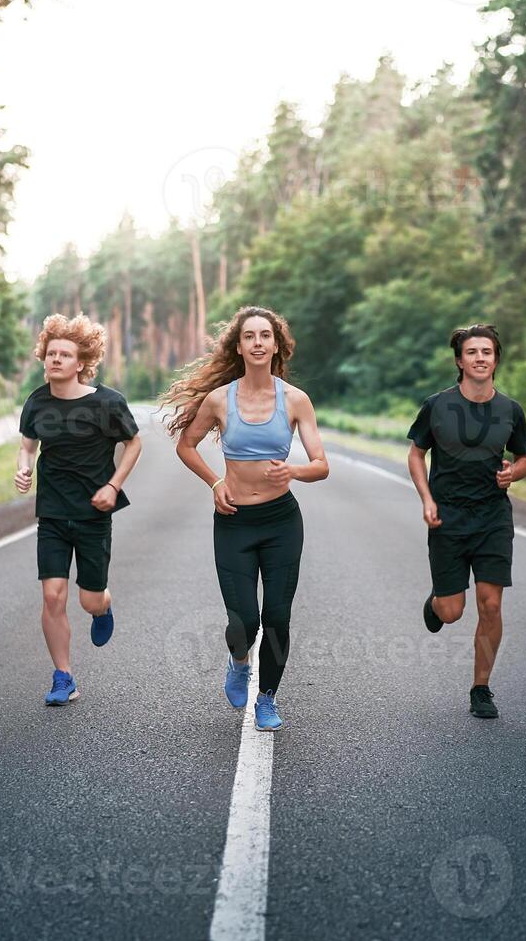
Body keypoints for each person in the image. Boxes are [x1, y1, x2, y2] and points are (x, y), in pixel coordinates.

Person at [159, 306, 329, 731]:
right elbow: (187, 446)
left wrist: (293, 470)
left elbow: (321, 464)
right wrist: (216, 484)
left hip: (281, 522)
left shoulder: (295, 400)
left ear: (276, 345)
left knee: (277, 615)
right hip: (234, 520)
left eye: (265, 336)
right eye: (249, 336)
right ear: (239, 346)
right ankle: (239, 662)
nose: (257, 342)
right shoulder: (221, 399)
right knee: (242, 623)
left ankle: (267, 698)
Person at [15, 313, 143, 706]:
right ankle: (63, 676)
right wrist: (23, 468)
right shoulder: (37, 401)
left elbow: (134, 444)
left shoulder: (107, 403)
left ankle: (103, 608)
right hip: (52, 513)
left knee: (89, 599)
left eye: (64, 354)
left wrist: (112, 485)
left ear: (81, 362)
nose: (55, 360)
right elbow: (27, 445)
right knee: (53, 596)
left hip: (91, 514)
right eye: (50, 353)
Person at [406, 323, 526, 719]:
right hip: (448, 517)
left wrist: (515, 473)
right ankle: (436, 603)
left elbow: (525, 458)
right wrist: (426, 499)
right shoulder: (437, 405)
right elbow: (415, 454)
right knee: (452, 612)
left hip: (493, 517)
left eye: (487, 352)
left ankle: (481, 688)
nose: (480, 358)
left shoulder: (510, 410)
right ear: (460, 360)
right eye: (472, 352)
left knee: (490, 604)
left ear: (496, 359)